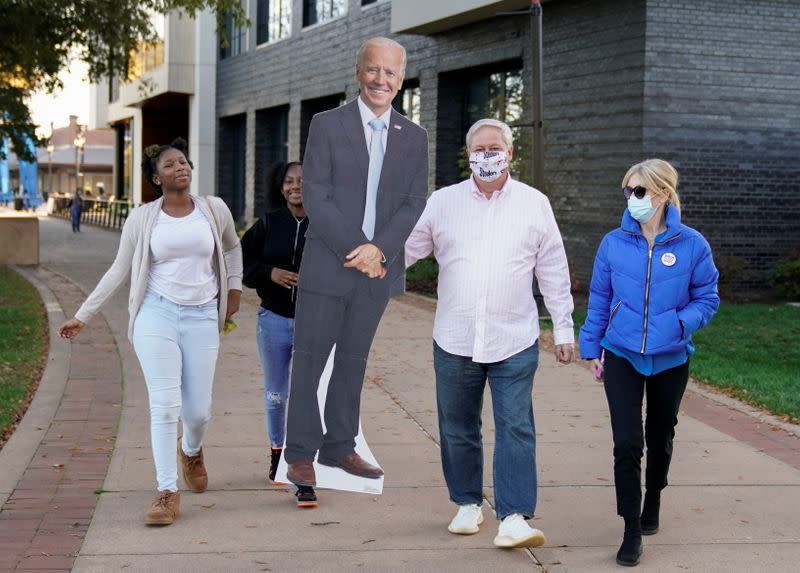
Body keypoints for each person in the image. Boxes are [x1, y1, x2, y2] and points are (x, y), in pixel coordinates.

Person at [405, 118, 575, 549]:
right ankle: (467, 503)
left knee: (515, 426)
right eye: (478, 149)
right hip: (455, 337)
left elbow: (553, 269)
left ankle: (514, 516)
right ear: (468, 155)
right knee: (458, 427)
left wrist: (563, 327)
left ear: (510, 153)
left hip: (514, 338)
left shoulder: (535, 204)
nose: (486, 155)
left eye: (494, 148)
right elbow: (407, 248)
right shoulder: (443, 202)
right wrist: (368, 262)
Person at [57, 138, 243, 526]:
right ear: (156, 179)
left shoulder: (214, 209)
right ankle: (166, 491)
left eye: (183, 162)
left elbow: (232, 247)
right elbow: (118, 269)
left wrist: (235, 289)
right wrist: (83, 315)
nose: (181, 168)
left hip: (202, 316)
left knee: (198, 411)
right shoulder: (143, 218)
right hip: (155, 315)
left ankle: (190, 449)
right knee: (165, 405)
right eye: (171, 165)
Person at [283, 37, 429, 499]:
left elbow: (413, 204)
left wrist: (379, 252)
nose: (380, 79)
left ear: (401, 81)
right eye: (373, 70)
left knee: (352, 360)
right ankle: (302, 453)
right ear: (358, 71)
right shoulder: (327, 125)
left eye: (390, 73)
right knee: (309, 361)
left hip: (377, 272)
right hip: (331, 263)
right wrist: (359, 248)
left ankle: (339, 445)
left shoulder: (415, 137)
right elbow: (317, 195)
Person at [578, 159, 719, 567]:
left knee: (660, 438)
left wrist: (679, 323)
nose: (631, 199)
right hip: (621, 353)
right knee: (626, 442)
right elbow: (600, 298)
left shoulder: (693, 244)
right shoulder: (613, 243)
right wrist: (593, 348)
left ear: (662, 194)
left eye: (638, 191)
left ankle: (653, 497)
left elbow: (707, 297)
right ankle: (631, 529)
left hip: (671, 358)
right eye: (628, 191)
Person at [241, 161, 317, 507]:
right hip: (272, 320)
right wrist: (270, 273)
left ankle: (302, 469)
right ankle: (277, 454)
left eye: (302, 181)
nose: (295, 186)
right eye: (289, 181)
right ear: (280, 187)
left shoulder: (326, 224)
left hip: (312, 323)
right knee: (276, 395)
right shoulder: (269, 223)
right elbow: (242, 263)